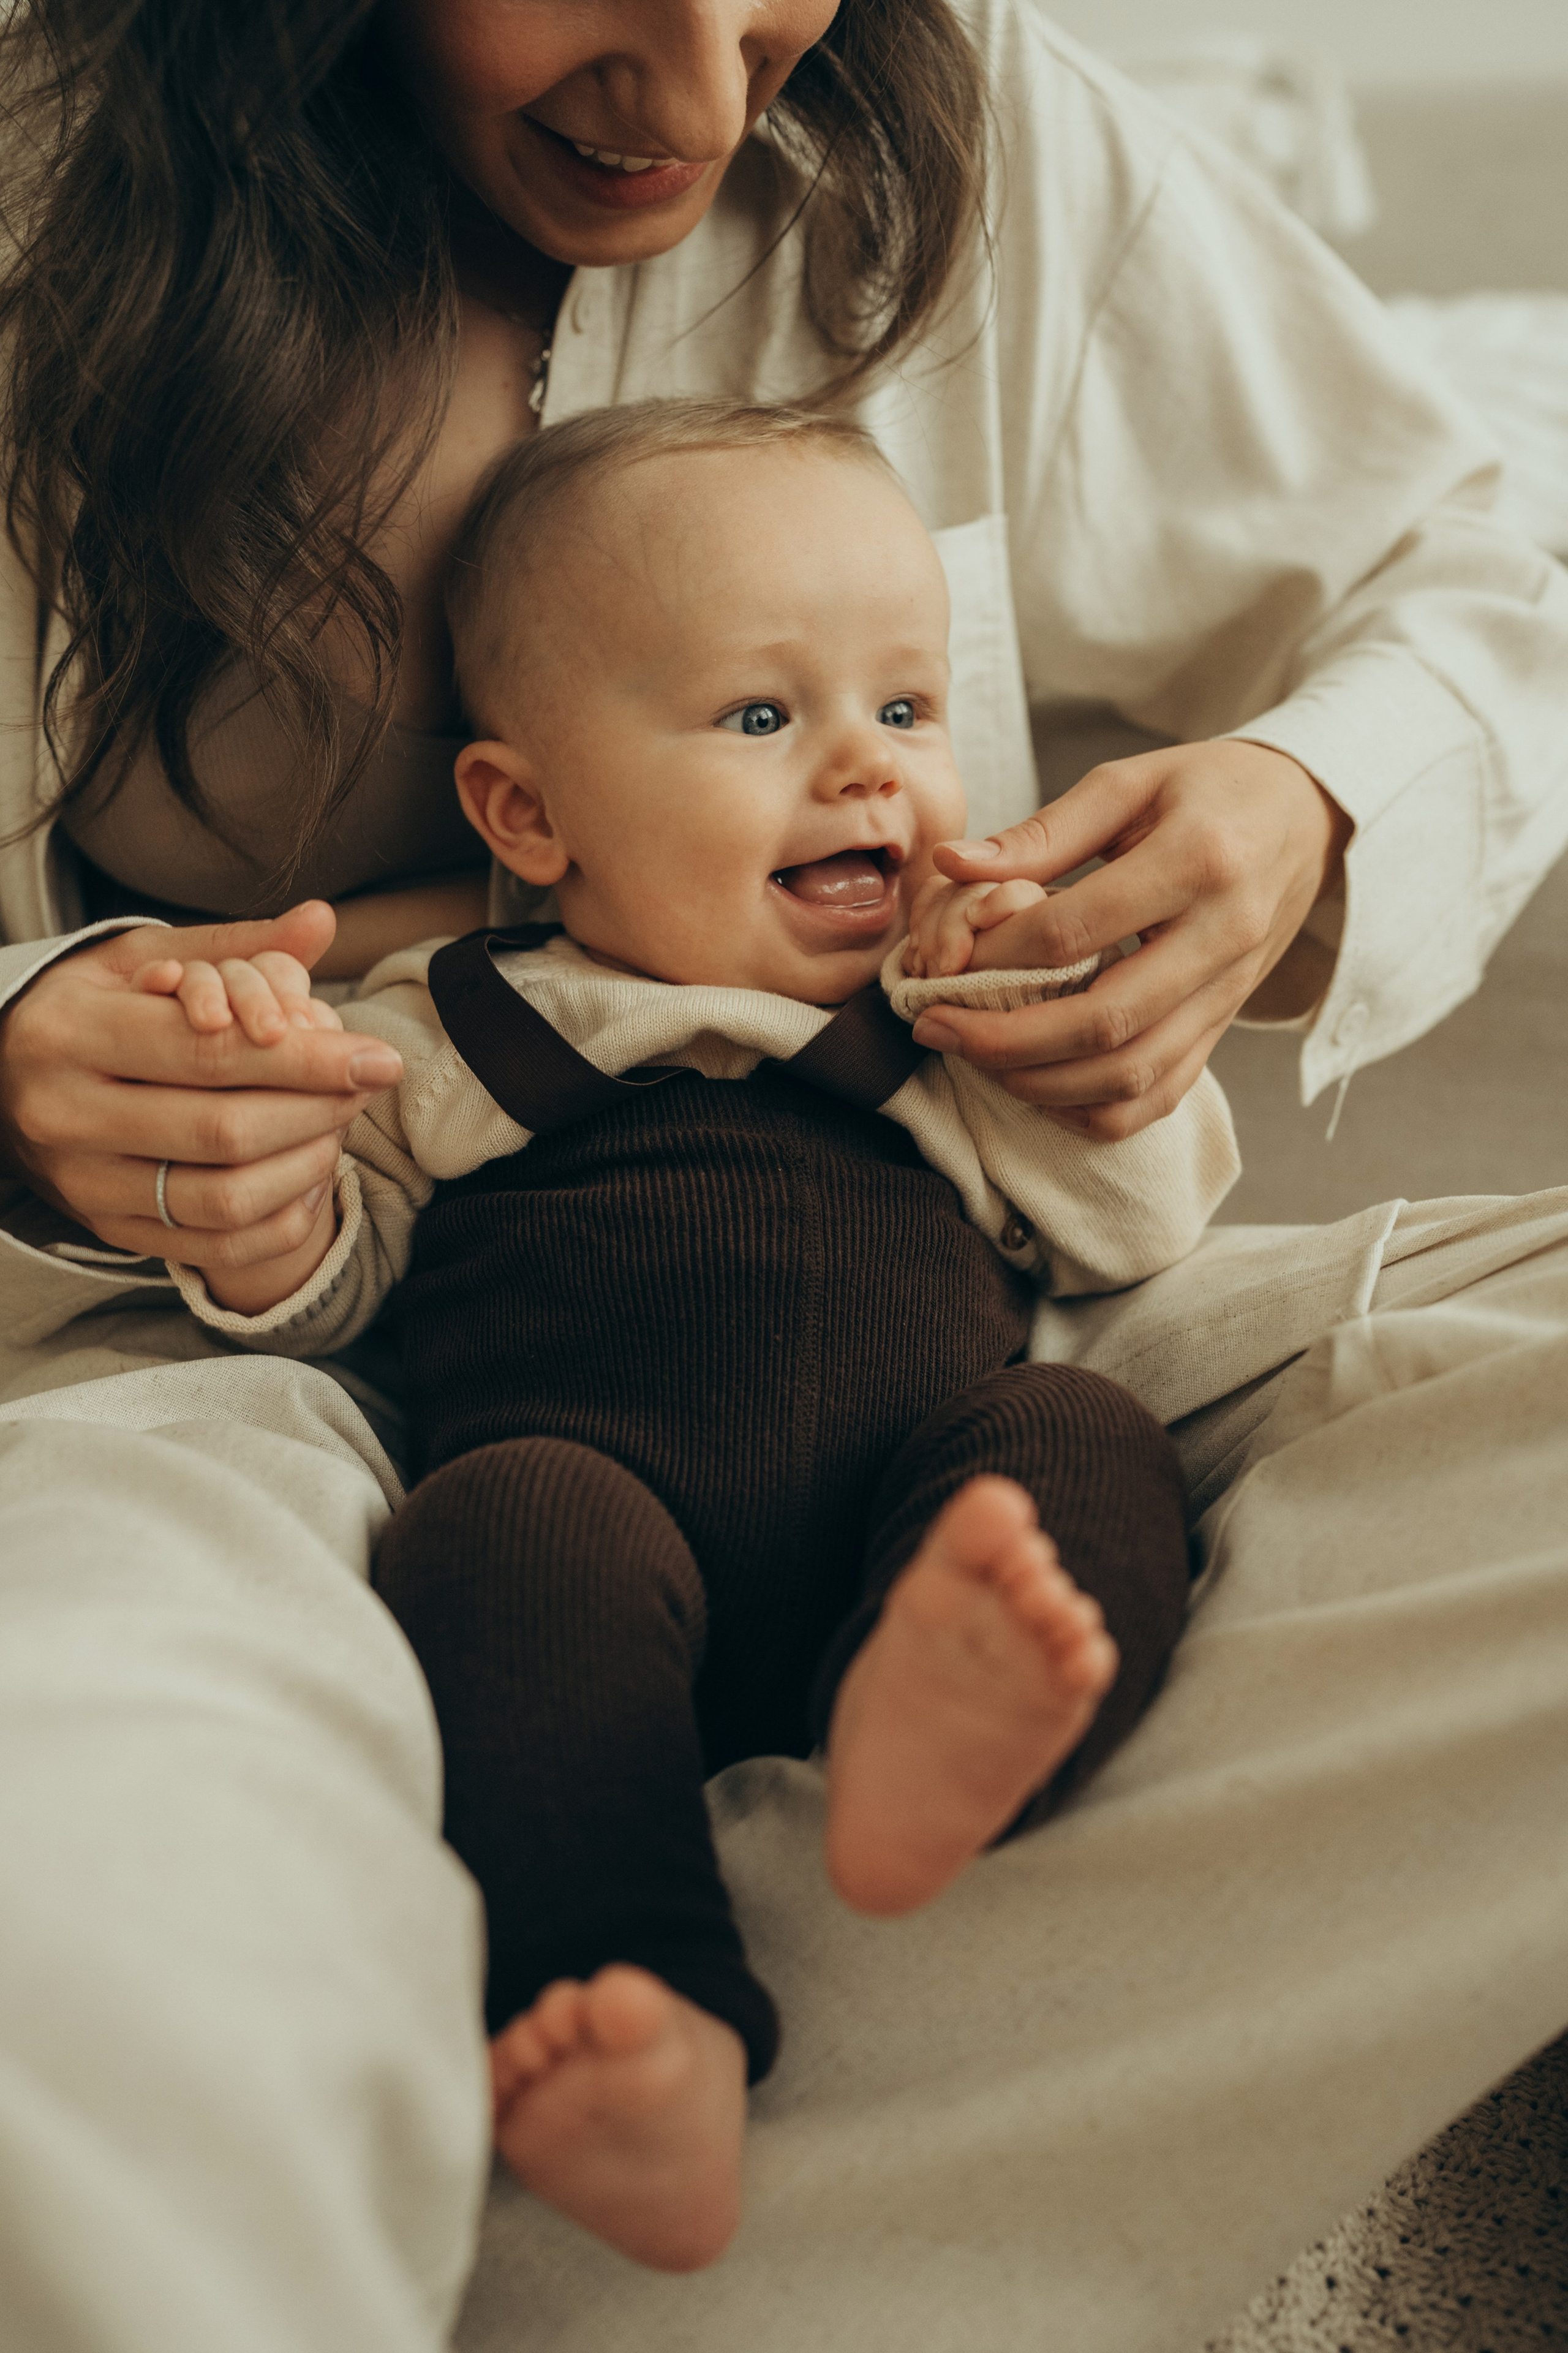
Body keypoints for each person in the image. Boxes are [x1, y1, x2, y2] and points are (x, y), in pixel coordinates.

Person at [0, 1, 1564, 2347]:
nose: (713, 110)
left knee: (1089, 1468)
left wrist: (1300, 805)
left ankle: (667, 2019)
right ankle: (614, 2077)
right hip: (294, 1377)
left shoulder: (983, 125)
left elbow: (1482, 568)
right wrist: (41, 1075)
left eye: (768, 10)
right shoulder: (43, 182)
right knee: (99, 1821)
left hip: (990, 1332)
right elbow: (316, 1245)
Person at [144, 398, 1238, 2268]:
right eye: (762, 717)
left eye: (908, 709)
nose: (864, 776)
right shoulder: (462, 1026)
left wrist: (1058, 1029)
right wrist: (263, 1207)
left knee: (1072, 1429)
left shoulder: (942, 1017)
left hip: (917, 1517)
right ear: (527, 812)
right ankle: (653, 2025)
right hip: (601, 1532)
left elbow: (1137, 1226)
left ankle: (938, 1735)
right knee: (498, 1527)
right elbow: (332, 1299)